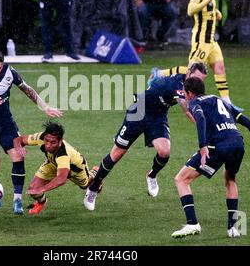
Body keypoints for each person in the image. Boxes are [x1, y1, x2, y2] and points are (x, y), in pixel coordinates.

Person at [84, 63, 208, 211]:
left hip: (158, 116)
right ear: (189, 73)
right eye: (196, 78)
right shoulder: (178, 86)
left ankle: (152, 175)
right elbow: (188, 111)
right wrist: (206, 130)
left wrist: (152, 80)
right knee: (117, 154)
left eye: (202, 80)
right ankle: (94, 187)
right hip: (139, 112)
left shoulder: (187, 82)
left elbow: (157, 72)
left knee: (164, 151)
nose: (198, 83)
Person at [0, 49, 62, 214]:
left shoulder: (9, 72)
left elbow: (27, 89)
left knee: (18, 156)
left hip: (6, 123)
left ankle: (17, 200)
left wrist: (45, 107)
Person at [171, 77, 250, 238]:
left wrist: (203, 146)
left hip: (218, 146)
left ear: (190, 93)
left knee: (181, 179)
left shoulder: (195, 102)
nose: (185, 96)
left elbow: (199, 118)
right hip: (237, 144)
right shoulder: (218, 100)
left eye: (186, 93)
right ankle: (233, 228)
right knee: (230, 179)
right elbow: (249, 123)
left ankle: (192, 224)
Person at [13, 121, 101, 215]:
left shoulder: (63, 154)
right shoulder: (41, 137)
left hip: (76, 170)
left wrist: (42, 189)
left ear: (60, 141)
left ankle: (95, 173)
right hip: (53, 164)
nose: (48, 145)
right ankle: (42, 202)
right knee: (33, 189)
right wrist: (19, 147)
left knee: (89, 186)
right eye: (47, 141)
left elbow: (61, 179)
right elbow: (19, 139)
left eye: (53, 142)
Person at [187, 0, 242, 111]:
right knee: (193, 73)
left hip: (211, 40)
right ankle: (161, 74)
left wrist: (215, 11)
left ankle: (228, 103)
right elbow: (191, 10)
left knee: (220, 68)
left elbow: (206, 9)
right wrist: (208, 1)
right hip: (201, 40)